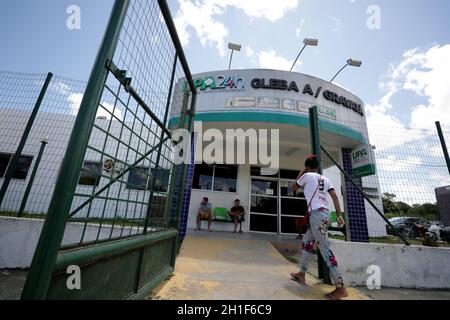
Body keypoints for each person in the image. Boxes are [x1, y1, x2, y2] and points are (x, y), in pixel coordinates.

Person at [290, 156, 348, 300]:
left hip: (316, 216)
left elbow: (294, 187)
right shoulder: (325, 179)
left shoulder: (307, 175)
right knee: (307, 241)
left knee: (325, 249)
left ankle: (340, 287)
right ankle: (302, 274)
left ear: (308, 167)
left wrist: (301, 172)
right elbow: (334, 196)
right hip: (326, 215)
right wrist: (339, 216)